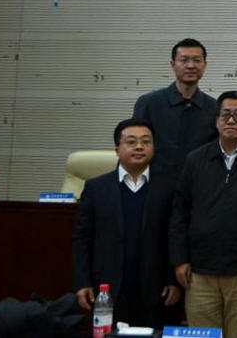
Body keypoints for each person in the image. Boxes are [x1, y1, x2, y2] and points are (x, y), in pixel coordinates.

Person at [170, 91, 237, 338]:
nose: (231, 120)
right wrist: (180, 259)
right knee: (204, 335)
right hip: (199, 272)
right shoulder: (195, 159)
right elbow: (179, 214)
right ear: (216, 120)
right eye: (225, 114)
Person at [73, 118, 181, 328]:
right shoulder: (96, 188)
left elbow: (175, 236)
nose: (139, 147)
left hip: (156, 289)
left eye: (146, 141)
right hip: (107, 288)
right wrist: (82, 282)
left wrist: (173, 280)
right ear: (117, 149)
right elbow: (82, 238)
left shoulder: (169, 188)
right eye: (131, 142)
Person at [133, 39, 218, 176]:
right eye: (184, 60)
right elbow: (134, 146)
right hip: (155, 182)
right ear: (173, 65)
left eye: (197, 60)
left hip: (198, 183)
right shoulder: (149, 103)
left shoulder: (214, 107)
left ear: (205, 65)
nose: (190, 66)